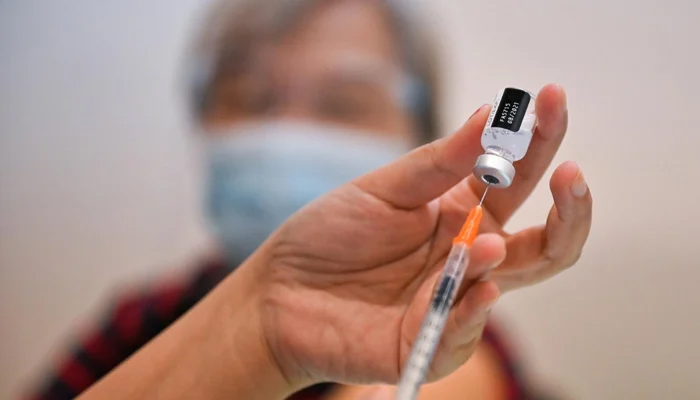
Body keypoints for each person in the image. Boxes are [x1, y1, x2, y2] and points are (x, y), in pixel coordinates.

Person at [23, 0, 592, 399]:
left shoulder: (447, 342)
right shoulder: (142, 320)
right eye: (248, 97)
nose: (284, 132)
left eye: (344, 104)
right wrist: (257, 328)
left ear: (426, 135)